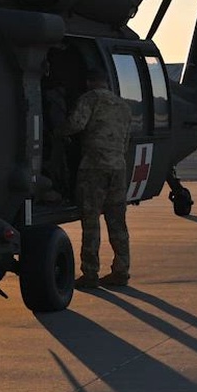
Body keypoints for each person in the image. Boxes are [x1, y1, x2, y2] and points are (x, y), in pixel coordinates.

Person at [61, 65, 132, 290]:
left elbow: (76, 125)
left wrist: (56, 132)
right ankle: (121, 271)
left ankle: (90, 273)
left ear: (90, 83)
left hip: (94, 168)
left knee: (91, 222)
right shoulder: (123, 105)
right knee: (117, 221)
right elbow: (126, 140)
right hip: (118, 168)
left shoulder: (90, 99)